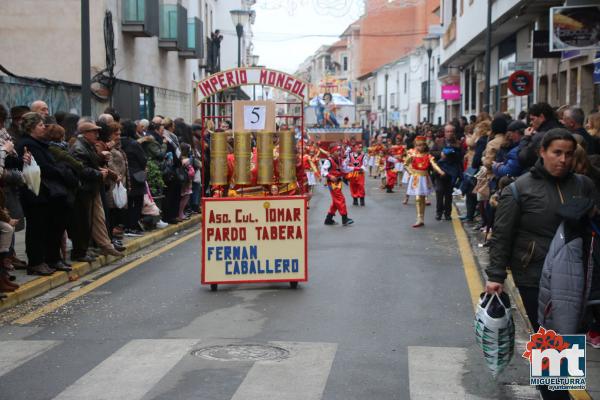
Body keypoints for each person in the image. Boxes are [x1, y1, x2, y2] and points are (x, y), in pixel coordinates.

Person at [485, 129, 596, 400]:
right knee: (550, 336)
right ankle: (556, 395)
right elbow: (502, 235)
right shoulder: (519, 189)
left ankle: (557, 390)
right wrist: (496, 275)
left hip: (576, 273)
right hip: (533, 274)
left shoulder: (583, 185)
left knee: (568, 334)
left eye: (569, 154)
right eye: (557, 153)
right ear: (542, 152)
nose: (563, 160)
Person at [17, 113, 74, 275]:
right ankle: (36, 262)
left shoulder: (40, 143)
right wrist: (62, 172)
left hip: (46, 194)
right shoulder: (28, 144)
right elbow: (44, 168)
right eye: (41, 125)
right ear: (31, 127)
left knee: (51, 227)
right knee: (37, 229)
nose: (44, 127)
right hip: (36, 193)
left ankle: (52, 259)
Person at [404, 136, 444, 228]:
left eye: (422, 145)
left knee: (422, 198)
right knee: (418, 198)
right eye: (418, 145)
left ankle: (421, 218)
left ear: (425, 146)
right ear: (415, 145)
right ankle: (419, 218)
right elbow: (405, 164)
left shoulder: (428, 156)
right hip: (416, 178)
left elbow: (434, 164)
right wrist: (411, 172)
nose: (420, 147)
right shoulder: (412, 154)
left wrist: (440, 171)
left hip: (424, 178)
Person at [120, 120, 148, 234]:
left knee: (127, 202)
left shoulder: (119, 142)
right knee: (137, 202)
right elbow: (143, 159)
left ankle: (126, 226)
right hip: (136, 175)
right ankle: (133, 226)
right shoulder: (134, 143)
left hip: (123, 174)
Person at [431, 124, 463, 221]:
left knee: (448, 193)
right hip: (440, 171)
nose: (449, 133)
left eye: (451, 131)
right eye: (447, 131)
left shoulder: (458, 143)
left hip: (451, 172)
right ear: (444, 133)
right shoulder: (439, 142)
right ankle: (438, 212)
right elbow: (431, 153)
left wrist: (453, 154)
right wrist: (440, 154)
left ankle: (447, 213)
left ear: (454, 132)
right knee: (439, 191)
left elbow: (461, 157)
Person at [518, 102, 562, 170]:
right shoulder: (562, 129)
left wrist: (526, 138)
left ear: (541, 117)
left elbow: (523, 158)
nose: (531, 123)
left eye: (533, 119)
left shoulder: (540, 137)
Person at [321, 144, 353, 226]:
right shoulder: (328, 161)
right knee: (340, 199)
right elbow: (323, 171)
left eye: (339, 151)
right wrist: (329, 176)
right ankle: (344, 218)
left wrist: (356, 168)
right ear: (332, 152)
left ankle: (328, 219)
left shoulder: (339, 160)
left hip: (338, 182)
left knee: (336, 201)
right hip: (332, 183)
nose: (339, 152)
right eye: (337, 151)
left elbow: (345, 169)